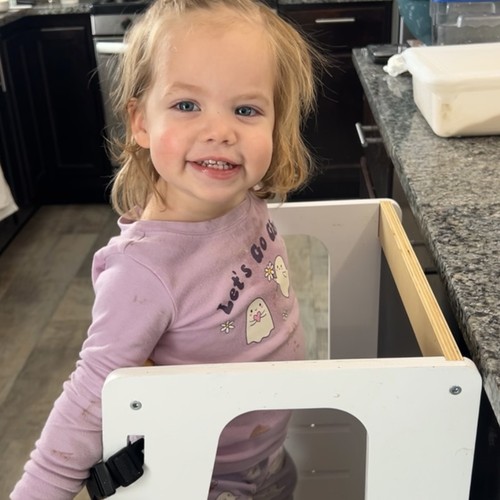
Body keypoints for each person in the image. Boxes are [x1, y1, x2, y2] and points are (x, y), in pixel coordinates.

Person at [11, 0, 320, 498]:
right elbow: (90, 398)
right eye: (187, 105)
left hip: (269, 457)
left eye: (246, 110)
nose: (220, 132)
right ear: (140, 122)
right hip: (202, 480)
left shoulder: (244, 201)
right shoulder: (142, 272)